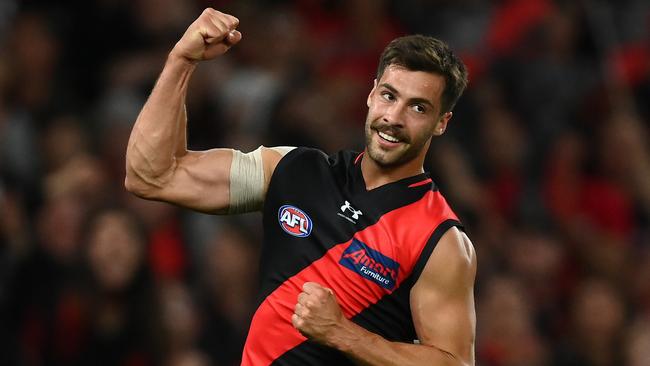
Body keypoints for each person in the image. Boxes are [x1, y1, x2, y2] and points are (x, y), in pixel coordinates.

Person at [125, 8, 476, 366]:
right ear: (371, 94)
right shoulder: (294, 171)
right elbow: (151, 176)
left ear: (441, 123)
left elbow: (455, 362)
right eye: (389, 95)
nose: (394, 118)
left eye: (417, 107)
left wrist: (342, 333)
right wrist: (181, 61)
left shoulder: (440, 239)